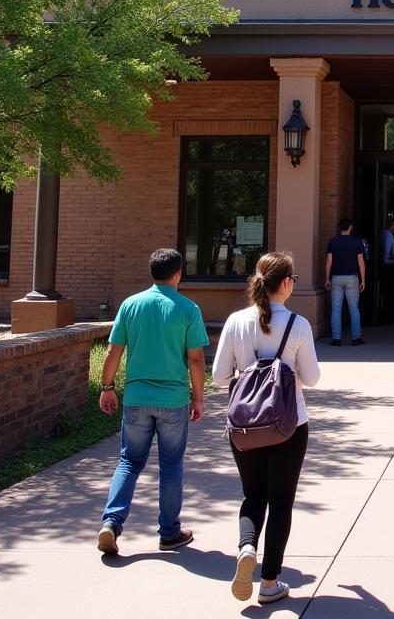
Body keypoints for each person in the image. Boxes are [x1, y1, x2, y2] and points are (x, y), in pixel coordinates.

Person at [212, 251, 321, 606]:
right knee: (282, 501)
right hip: (290, 424)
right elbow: (313, 379)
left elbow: (217, 377)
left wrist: (247, 373)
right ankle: (270, 581)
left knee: (253, 494)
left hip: (244, 427)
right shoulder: (298, 325)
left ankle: (246, 547)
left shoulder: (236, 321)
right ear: (287, 283)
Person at [96, 248, 209, 555]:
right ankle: (170, 533)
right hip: (172, 400)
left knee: (129, 461)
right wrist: (198, 398)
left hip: (136, 398)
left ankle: (111, 523)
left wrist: (107, 387)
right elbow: (196, 359)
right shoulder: (188, 309)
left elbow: (113, 352)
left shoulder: (131, 305)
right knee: (171, 467)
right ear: (178, 274)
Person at [325, 218, 366, 346]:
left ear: (339, 228)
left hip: (336, 277)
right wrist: (363, 280)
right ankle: (356, 338)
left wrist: (327, 278)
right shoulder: (356, 242)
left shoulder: (332, 242)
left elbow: (329, 262)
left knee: (336, 309)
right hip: (352, 277)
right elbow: (361, 263)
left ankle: (336, 338)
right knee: (354, 309)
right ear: (350, 227)